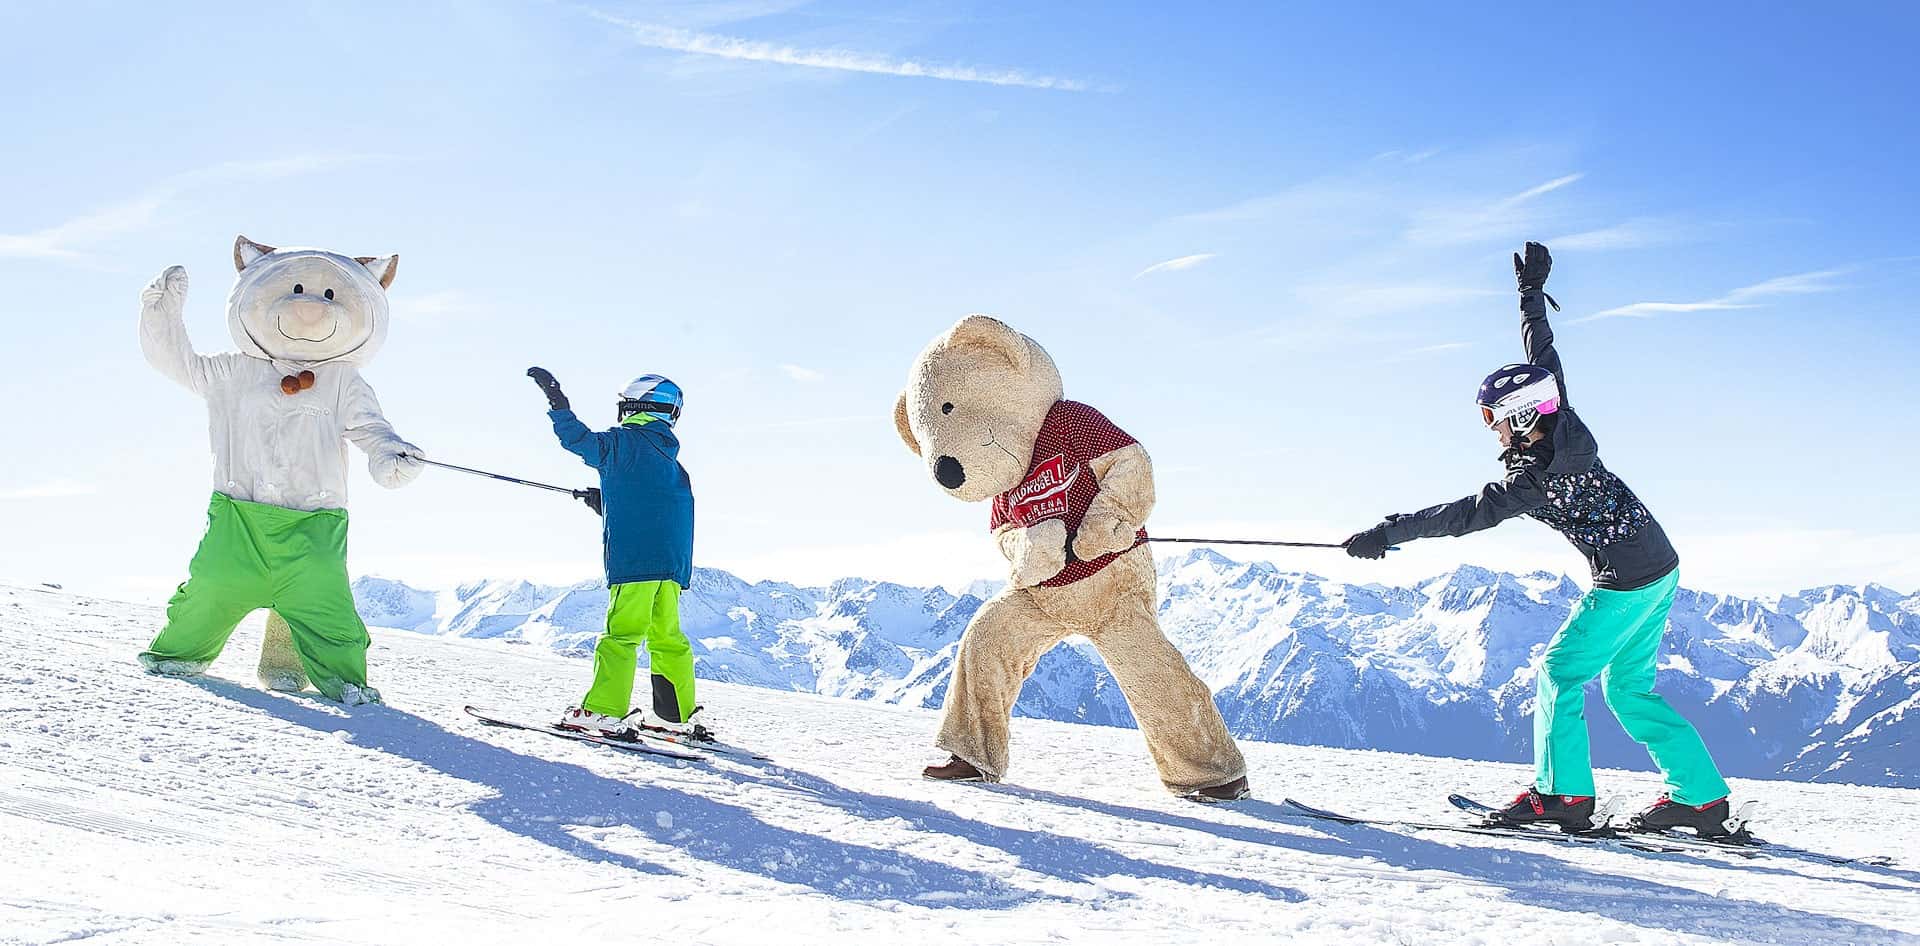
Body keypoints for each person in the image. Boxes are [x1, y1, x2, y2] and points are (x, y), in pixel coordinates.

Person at [1341, 242, 1735, 836]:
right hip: (1660, 567)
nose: (1490, 429)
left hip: (1626, 582)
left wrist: (1387, 531)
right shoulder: (1566, 424)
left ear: (1524, 415)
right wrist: (1530, 296)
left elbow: (1463, 514)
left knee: (1558, 674)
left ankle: (1563, 794)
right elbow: (1542, 352)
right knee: (1629, 689)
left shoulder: (1529, 481)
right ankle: (1701, 798)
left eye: (1493, 417)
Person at [526, 367, 703, 740]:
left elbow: (578, 440)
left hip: (636, 562)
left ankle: (603, 710)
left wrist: (557, 401)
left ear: (633, 405)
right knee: (666, 636)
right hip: (671, 565)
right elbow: (659, 503)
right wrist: (607, 502)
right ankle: (675, 716)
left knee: (621, 635)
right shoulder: (670, 458)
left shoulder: (622, 443)